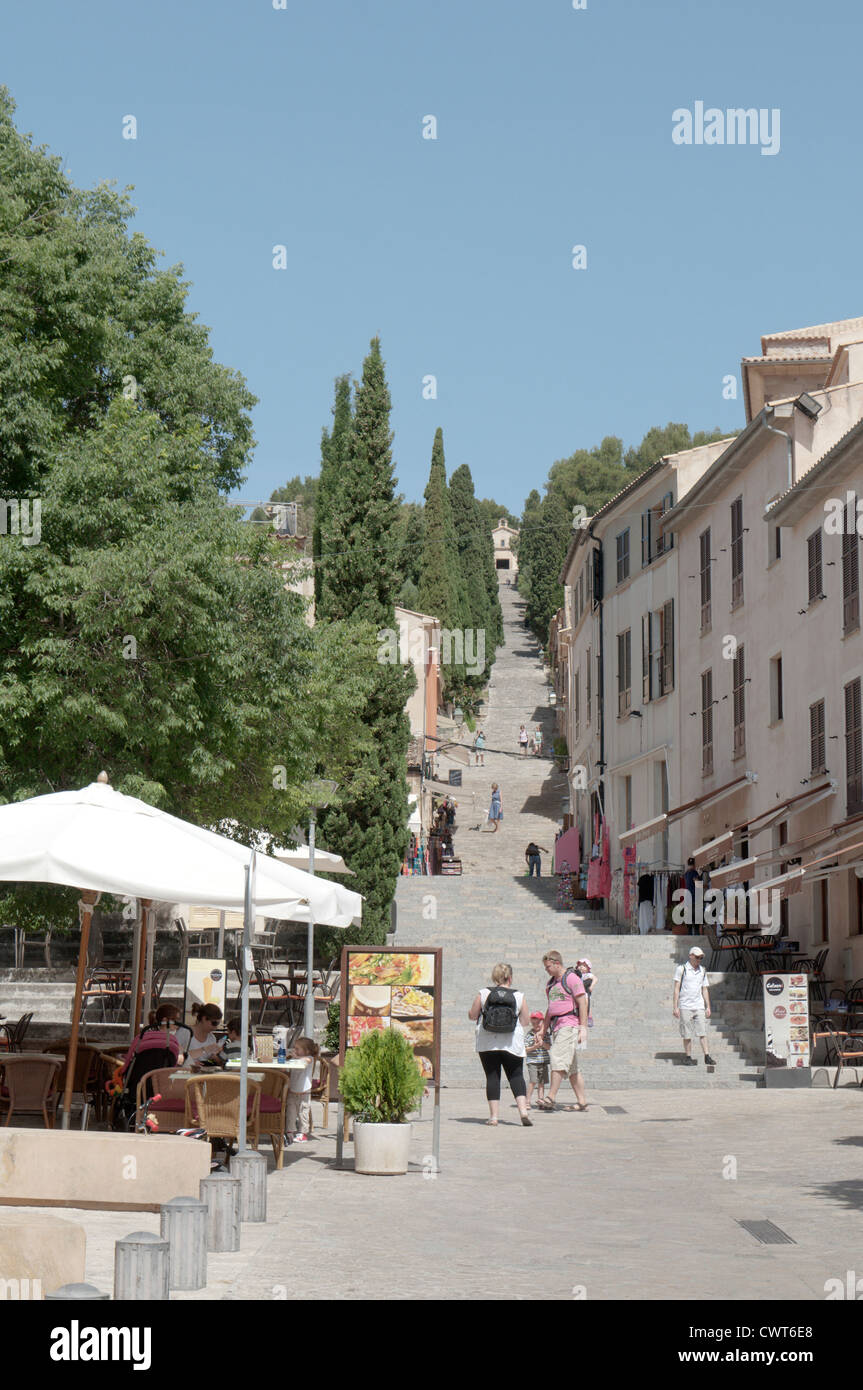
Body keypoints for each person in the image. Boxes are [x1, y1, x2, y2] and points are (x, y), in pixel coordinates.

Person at [468, 963, 533, 1126]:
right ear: (510, 978)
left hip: (488, 1041)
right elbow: (525, 1021)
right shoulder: (519, 995)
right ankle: (523, 1112)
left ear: (494, 977)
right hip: (512, 1041)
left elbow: (472, 1015)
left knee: (492, 1076)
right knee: (516, 1076)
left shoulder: (483, 993)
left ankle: (494, 1117)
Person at [540, 951, 589, 1111]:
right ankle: (581, 1102)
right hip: (557, 1025)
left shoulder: (571, 978)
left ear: (557, 963)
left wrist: (583, 1027)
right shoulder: (551, 984)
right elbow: (551, 1008)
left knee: (557, 1056)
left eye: (548, 966)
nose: (546, 970)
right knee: (572, 1068)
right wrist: (543, 1029)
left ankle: (551, 1097)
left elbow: (582, 1002)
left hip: (569, 1023)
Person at [672, 946, 715, 1067]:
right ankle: (688, 1056)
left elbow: (705, 989)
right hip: (685, 1005)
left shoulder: (702, 970)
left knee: (703, 1032)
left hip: (699, 1005)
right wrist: (675, 1007)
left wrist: (708, 1006)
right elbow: (676, 988)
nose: (699, 959)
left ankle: (707, 1055)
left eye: (701, 957)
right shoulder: (682, 969)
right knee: (687, 1033)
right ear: (691, 956)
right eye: (697, 957)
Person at [286, 1036, 320, 1142]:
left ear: (307, 1051)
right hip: (293, 1089)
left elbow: (306, 1060)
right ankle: (290, 1131)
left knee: (303, 1112)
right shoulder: (295, 1059)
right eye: (294, 1048)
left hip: (304, 1091)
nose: (295, 1050)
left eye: (297, 1049)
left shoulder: (310, 1058)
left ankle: (303, 1133)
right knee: (291, 1112)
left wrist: (296, 1057)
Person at [525, 1011, 550, 1109]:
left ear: (543, 1022)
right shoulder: (529, 1034)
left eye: (538, 1023)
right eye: (533, 1023)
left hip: (543, 1061)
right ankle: (527, 1101)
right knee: (533, 1081)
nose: (536, 1025)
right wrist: (534, 1047)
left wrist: (542, 1043)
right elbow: (525, 1049)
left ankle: (541, 1100)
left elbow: (548, 1047)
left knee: (542, 1082)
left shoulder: (545, 1034)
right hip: (533, 1062)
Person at [575, 958, 597, 1026]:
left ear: (588, 968)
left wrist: (592, 986)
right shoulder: (577, 974)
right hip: (578, 992)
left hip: (585, 993)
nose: (581, 967)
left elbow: (595, 979)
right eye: (580, 965)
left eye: (584, 966)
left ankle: (589, 1017)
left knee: (586, 1001)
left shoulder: (588, 975)